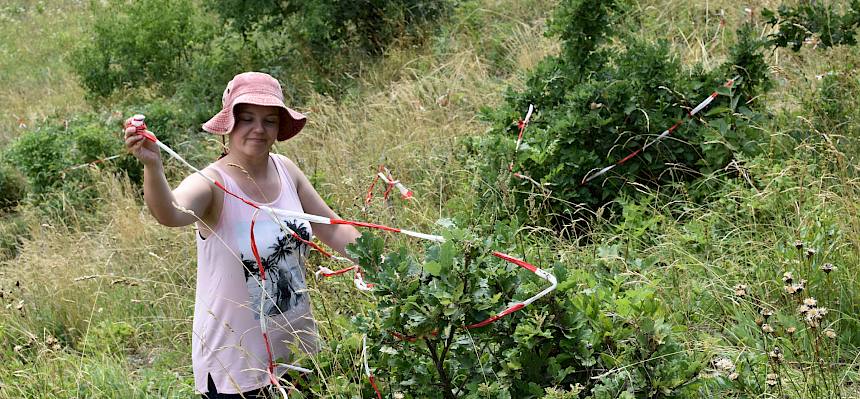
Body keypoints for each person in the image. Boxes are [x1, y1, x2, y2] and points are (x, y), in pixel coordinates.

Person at [124, 72, 361, 398]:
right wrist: (153, 166)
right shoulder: (211, 184)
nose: (258, 129)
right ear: (228, 125)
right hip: (236, 369)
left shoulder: (286, 169)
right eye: (246, 118)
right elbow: (171, 211)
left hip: (297, 354)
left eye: (269, 120)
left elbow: (331, 227)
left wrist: (384, 265)